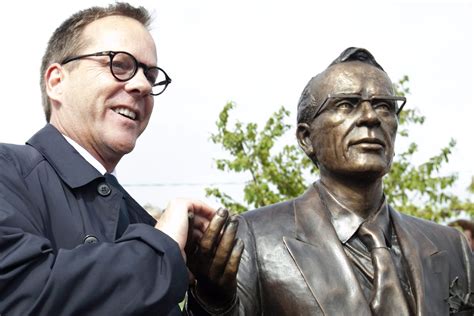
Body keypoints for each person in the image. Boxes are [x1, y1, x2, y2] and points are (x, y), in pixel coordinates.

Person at [187, 47, 474, 315]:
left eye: (384, 106)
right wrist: (213, 303)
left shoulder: (451, 246)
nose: (370, 117)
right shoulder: (253, 237)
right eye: (347, 105)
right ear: (306, 138)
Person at [0, 3, 242, 315]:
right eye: (120, 64)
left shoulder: (143, 225)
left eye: (151, 75)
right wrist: (157, 252)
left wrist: (211, 300)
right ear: (57, 82)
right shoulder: (8, 172)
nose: (142, 85)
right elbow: (19, 296)